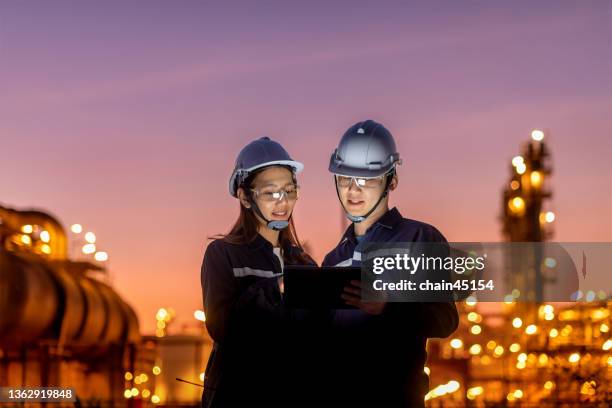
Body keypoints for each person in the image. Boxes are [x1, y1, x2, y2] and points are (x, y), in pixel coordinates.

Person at [321, 120, 459, 407]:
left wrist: (389, 305)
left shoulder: (419, 238)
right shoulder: (333, 259)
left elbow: (445, 320)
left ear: (391, 181)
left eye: (367, 180)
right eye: (345, 179)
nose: (353, 191)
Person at [200, 137, 315, 408]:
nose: (282, 201)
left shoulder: (305, 265)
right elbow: (222, 327)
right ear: (245, 197)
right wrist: (276, 288)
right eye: (270, 192)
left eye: (289, 190)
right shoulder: (223, 254)